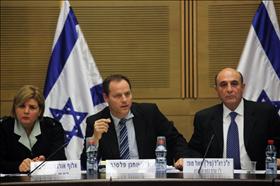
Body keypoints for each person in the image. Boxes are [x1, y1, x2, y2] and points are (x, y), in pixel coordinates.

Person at [81, 74, 196, 170]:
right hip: (115, 180)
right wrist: (95, 140)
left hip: (149, 179)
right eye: (117, 96)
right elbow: (85, 165)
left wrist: (182, 157)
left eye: (127, 94)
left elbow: (176, 140)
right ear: (106, 98)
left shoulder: (150, 113)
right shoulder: (95, 122)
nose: (124, 100)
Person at [188, 68, 280, 170]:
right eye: (223, 85)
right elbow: (194, 150)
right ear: (216, 90)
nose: (229, 90)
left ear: (242, 87)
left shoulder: (265, 113)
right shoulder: (204, 118)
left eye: (234, 84)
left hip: (258, 179)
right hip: (218, 179)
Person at [0, 85, 66, 173]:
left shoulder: (53, 127)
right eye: (22, 106)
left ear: (40, 111)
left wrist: (45, 163)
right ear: (15, 108)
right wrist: (18, 166)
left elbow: (60, 161)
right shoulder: (3, 127)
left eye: (32, 107)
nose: (26, 111)